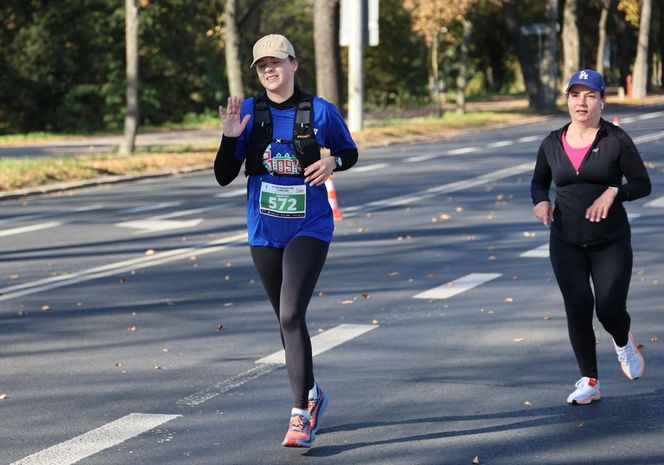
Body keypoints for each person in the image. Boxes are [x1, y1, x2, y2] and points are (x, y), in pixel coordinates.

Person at [214, 34, 358, 447]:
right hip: (264, 229)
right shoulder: (249, 115)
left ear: (294, 64)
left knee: (292, 313)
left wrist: (333, 160)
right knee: (285, 318)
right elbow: (224, 174)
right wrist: (229, 137)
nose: (269, 70)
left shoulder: (320, 111)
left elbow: (350, 151)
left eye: (276, 62)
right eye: (262, 66)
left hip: (309, 226)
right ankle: (312, 394)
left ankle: (299, 415)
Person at [531, 69, 651, 405]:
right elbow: (539, 182)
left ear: (601, 100)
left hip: (610, 240)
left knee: (610, 309)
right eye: (575, 95)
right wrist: (540, 201)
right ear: (567, 99)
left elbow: (643, 184)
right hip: (566, 240)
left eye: (590, 95)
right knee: (578, 306)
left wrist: (614, 192)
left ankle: (623, 341)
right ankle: (590, 380)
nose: (581, 102)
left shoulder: (615, 139)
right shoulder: (552, 142)